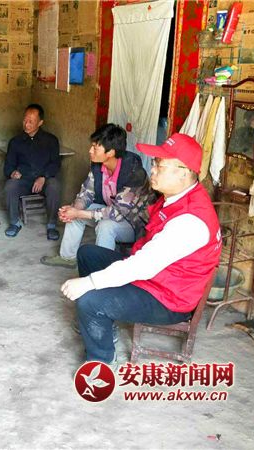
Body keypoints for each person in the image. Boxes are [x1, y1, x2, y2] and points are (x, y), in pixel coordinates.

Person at [61, 133, 221, 365]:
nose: (152, 170)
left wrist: (89, 283)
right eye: (155, 163)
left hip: (168, 297)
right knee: (88, 254)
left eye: (160, 165)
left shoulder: (190, 221)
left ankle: (101, 362)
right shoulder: (173, 198)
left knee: (89, 300)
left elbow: (142, 266)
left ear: (183, 172)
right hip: (156, 278)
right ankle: (103, 325)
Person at [41, 124, 154, 269]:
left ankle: (102, 269)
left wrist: (79, 213)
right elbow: (87, 192)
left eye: (95, 148)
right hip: (111, 212)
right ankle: (67, 258)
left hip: (136, 224)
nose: (90, 150)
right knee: (75, 213)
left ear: (110, 152)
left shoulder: (134, 173)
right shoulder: (98, 166)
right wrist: (75, 209)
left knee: (105, 226)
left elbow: (116, 213)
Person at [4, 104, 61, 240]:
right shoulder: (15, 142)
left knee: (54, 186)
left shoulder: (51, 140)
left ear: (40, 122)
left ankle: (51, 225)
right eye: (25, 120)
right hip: (24, 180)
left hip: (44, 180)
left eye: (31, 121)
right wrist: (12, 173)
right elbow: (8, 166)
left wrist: (43, 176)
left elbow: (56, 164)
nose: (26, 124)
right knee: (10, 186)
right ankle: (14, 223)